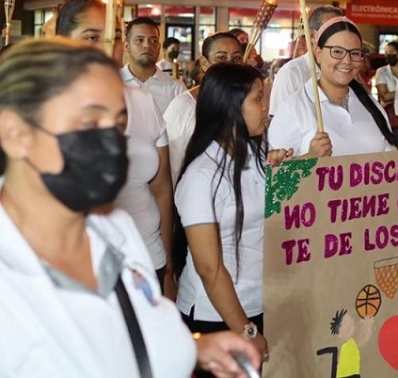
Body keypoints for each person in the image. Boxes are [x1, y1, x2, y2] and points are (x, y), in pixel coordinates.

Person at [0, 38, 260, 377]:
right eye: (90, 123)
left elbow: (133, 333)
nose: (111, 141)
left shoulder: (117, 229)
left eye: (118, 123)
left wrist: (195, 347)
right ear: (16, 133)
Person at [57, 0, 176, 295]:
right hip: (85, 268)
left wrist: (168, 259)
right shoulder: (45, 108)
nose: (107, 46)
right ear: (62, 42)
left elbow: (161, 187)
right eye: (92, 37)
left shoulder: (142, 101)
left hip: (148, 254)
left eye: (115, 37)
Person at [175, 63, 290, 369]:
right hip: (216, 317)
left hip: (257, 303)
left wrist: (292, 166)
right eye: (258, 98)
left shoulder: (256, 154)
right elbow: (209, 269)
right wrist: (246, 330)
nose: (266, 107)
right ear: (230, 107)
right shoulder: (202, 177)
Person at [268, 17, 398, 157]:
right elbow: (275, 175)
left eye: (354, 53)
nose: (347, 61)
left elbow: (391, 163)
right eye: (337, 51)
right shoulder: (293, 109)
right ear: (318, 54)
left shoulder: (371, 106)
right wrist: (309, 157)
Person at [163, 32, 244, 184]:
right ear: (204, 63)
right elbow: (170, 167)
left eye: (236, 58)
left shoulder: (246, 103)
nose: (230, 64)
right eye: (221, 57)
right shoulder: (184, 106)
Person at [268, 6, 344, 119]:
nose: (339, 37)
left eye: (341, 31)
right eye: (331, 31)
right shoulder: (291, 73)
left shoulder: (344, 71)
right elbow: (278, 121)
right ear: (312, 35)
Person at [121, 17, 187, 114]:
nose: (147, 45)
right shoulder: (111, 83)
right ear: (127, 46)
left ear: (159, 47)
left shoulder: (176, 89)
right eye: (139, 40)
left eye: (153, 41)